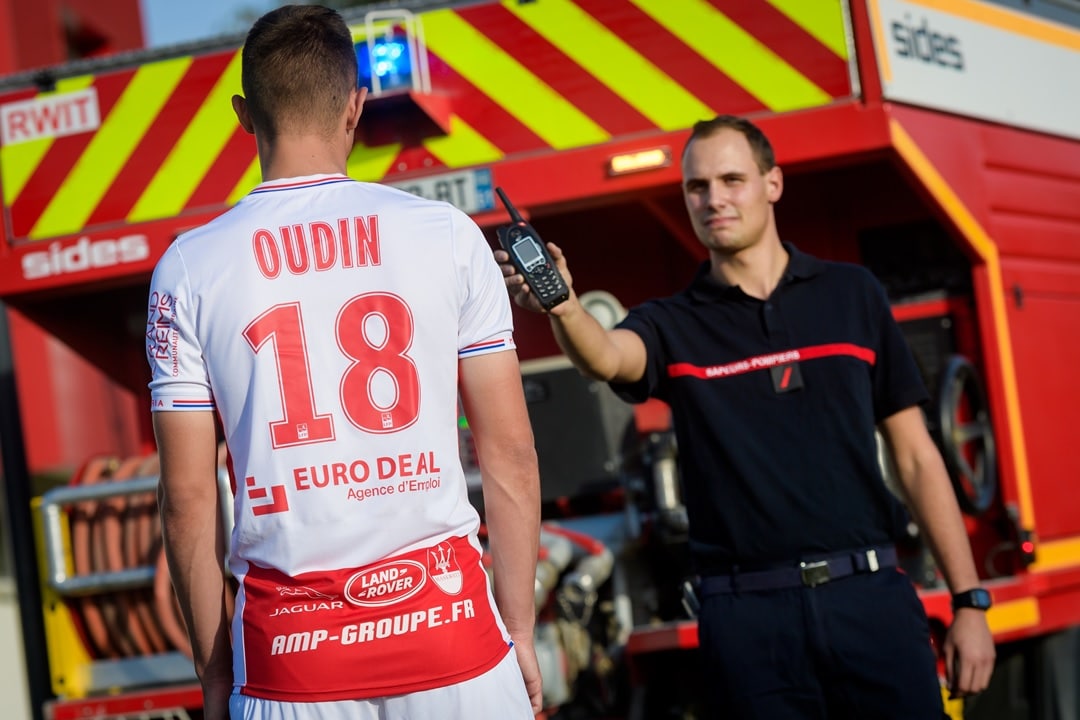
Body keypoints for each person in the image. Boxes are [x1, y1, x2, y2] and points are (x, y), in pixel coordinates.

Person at [497, 114, 995, 718]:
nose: (714, 200)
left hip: (871, 602)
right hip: (747, 623)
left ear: (773, 184)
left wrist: (969, 601)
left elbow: (918, 458)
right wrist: (564, 306)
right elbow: (607, 358)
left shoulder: (852, 295)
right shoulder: (673, 324)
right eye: (697, 187)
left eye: (732, 180)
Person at [146, 6, 542, 720]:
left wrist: (213, 675)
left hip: (289, 665)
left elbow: (188, 501)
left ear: (244, 114)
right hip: (455, 646)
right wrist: (519, 632)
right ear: (356, 106)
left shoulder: (187, 269)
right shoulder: (448, 237)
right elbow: (510, 454)